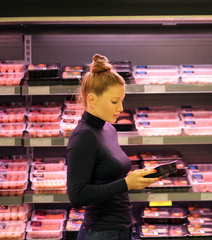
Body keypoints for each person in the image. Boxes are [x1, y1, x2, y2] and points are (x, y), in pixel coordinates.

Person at [67, 54, 159, 240]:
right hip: (100, 233)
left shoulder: (108, 128)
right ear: (92, 100)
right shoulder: (83, 136)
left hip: (122, 228)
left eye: (122, 100)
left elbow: (108, 176)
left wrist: (137, 178)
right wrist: (127, 183)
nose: (121, 108)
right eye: (115, 101)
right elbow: (77, 195)